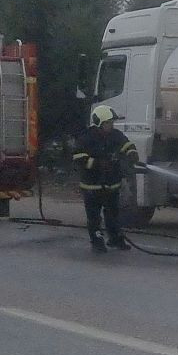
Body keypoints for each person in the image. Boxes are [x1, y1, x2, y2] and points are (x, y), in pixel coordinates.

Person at [72, 105, 138, 253]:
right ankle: (97, 241)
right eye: (108, 123)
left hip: (111, 185)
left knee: (113, 214)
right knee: (94, 217)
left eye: (112, 122)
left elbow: (127, 145)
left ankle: (115, 239)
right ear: (99, 123)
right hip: (92, 186)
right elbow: (78, 158)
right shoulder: (86, 137)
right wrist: (97, 164)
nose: (111, 125)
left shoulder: (115, 135)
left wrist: (132, 153)